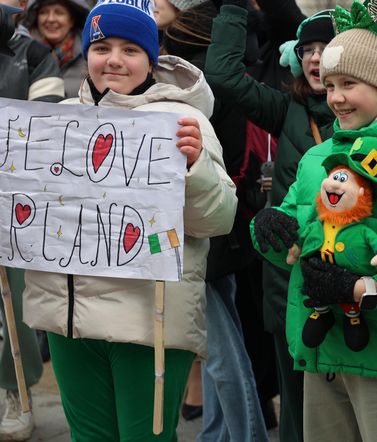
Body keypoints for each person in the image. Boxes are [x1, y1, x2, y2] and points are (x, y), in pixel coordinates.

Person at [20, 0, 237, 440]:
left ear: (151, 59)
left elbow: (217, 219)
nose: (114, 60)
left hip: (149, 319)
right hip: (69, 320)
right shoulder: (57, 121)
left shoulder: (184, 121)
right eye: (102, 47)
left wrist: (194, 168)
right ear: (86, 54)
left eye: (130, 49)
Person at [250, 1, 377, 440]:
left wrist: (360, 290)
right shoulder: (315, 159)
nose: (336, 97)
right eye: (330, 85)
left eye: (350, 83)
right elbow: (291, 240)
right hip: (319, 351)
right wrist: (266, 228)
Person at [205, 3, 335, 440]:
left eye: (327, 47)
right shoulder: (287, 110)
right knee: (297, 411)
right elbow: (223, 76)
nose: (315, 58)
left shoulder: (374, 118)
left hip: (352, 287)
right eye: (308, 49)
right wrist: (232, 7)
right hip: (288, 285)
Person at [161, 1, 274, 439]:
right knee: (220, 351)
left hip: (201, 235)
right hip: (226, 233)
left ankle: (247, 436)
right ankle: (218, 434)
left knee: (222, 356)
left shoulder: (194, 87)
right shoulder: (222, 80)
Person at [0, 1, 63, 439]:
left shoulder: (36, 54)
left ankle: (14, 391)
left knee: (15, 306)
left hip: (17, 197)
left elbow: (49, 125)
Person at [23, 0, 89, 97]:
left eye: (59, 13)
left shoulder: (90, 55)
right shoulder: (21, 52)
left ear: (71, 20)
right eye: (43, 12)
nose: (50, 19)